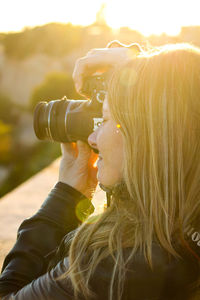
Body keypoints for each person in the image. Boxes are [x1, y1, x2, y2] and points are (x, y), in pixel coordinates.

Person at [0, 41, 200, 300]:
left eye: (103, 119)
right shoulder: (185, 224)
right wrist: (145, 70)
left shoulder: (114, 268)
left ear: (141, 137)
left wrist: (65, 197)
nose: (91, 138)